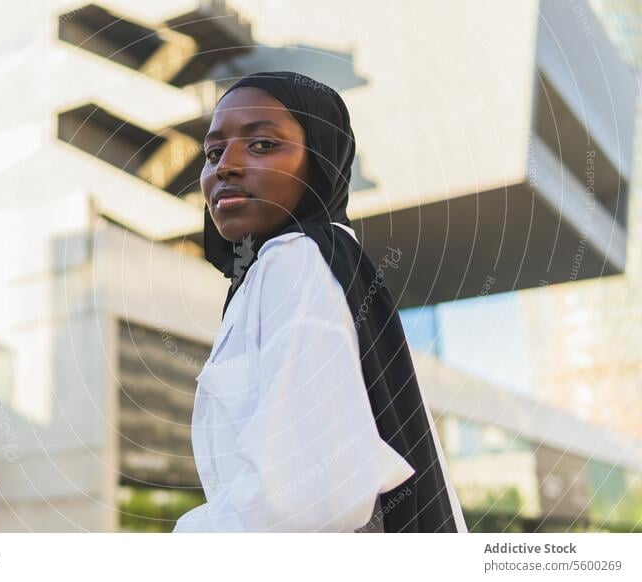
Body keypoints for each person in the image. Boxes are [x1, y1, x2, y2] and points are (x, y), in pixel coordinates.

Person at [173, 71, 467, 533]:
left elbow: (308, 497)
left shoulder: (297, 260)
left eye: (262, 144)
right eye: (213, 152)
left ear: (321, 161)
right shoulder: (316, 261)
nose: (224, 166)